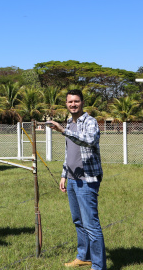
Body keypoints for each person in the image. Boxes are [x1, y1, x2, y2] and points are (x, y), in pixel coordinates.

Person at [47, 89, 106, 270]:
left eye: (76, 101)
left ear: (82, 102)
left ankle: (98, 266)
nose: (73, 104)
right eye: (70, 102)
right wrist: (64, 174)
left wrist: (63, 131)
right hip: (72, 179)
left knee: (91, 224)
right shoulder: (69, 123)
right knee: (78, 221)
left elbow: (89, 140)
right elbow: (69, 153)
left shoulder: (90, 122)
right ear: (66, 104)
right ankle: (84, 256)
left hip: (87, 180)